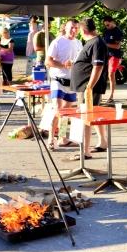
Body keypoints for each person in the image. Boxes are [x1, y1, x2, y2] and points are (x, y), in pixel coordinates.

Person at [70, 18, 109, 159]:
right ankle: (103, 142)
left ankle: (85, 151)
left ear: (83, 30)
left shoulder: (96, 43)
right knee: (94, 114)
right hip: (86, 86)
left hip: (88, 87)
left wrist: (89, 87)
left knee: (85, 117)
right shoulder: (93, 42)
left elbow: (98, 66)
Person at [46, 20, 81, 149]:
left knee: (66, 113)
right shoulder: (57, 42)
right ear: (65, 28)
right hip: (58, 81)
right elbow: (48, 61)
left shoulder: (78, 43)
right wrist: (63, 65)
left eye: (76, 28)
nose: (74, 30)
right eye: (72, 27)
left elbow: (80, 61)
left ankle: (62, 138)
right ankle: (51, 137)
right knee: (57, 109)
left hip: (71, 82)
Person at [101, 16, 123, 104]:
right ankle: (100, 94)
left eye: (108, 25)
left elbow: (117, 46)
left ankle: (111, 96)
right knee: (102, 74)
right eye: (105, 25)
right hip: (105, 55)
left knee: (111, 74)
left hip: (114, 55)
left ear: (112, 22)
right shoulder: (106, 31)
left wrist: (105, 44)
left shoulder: (118, 31)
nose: (106, 27)